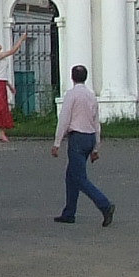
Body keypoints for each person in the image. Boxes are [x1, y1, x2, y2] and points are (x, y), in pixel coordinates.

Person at [51, 64, 115, 226]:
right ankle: (69, 212)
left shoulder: (71, 95)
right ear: (85, 77)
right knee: (71, 176)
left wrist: (57, 142)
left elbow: (64, 119)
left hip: (77, 138)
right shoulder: (91, 95)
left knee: (79, 178)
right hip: (90, 137)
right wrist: (96, 148)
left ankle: (105, 205)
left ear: (72, 77)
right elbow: (96, 122)